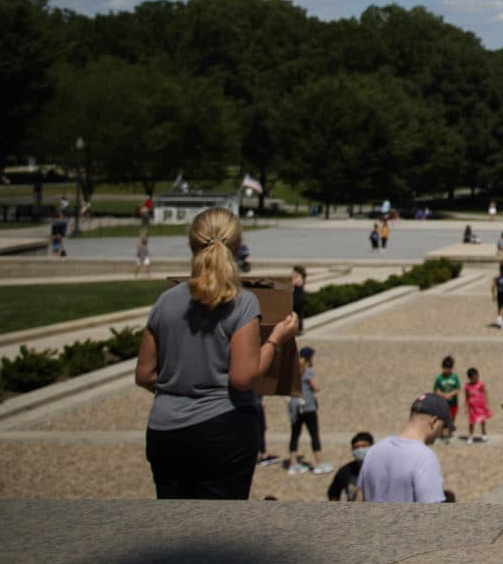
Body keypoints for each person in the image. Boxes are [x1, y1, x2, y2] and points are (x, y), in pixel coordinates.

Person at [134, 207, 298, 499]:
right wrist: (275, 340)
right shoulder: (242, 303)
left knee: (172, 529)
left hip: (164, 430)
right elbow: (242, 377)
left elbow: (145, 374)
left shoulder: (165, 301)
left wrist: (180, 389)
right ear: (237, 247)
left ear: (191, 245)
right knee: (221, 530)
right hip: (223, 429)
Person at [356, 394, 450, 502]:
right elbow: (431, 512)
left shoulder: (374, 450)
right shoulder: (425, 457)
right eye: (444, 426)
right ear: (434, 421)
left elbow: (358, 501)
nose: (443, 432)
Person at [284, 345, 329, 474]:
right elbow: (315, 387)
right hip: (308, 407)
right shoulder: (307, 371)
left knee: (295, 434)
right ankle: (319, 463)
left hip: (295, 407)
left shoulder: (292, 371)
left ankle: (293, 463)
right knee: (314, 434)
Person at [326, 431, 373, 501]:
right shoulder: (345, 470)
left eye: (364, 446)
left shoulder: (381, 469)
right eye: (356, 447)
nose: (360, 450)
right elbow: (333, 493)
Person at [434, 356, 461, 440]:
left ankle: (449, 430)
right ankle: (445, 434)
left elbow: (458, 389)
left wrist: (450, 394)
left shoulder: (454, 377)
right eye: (444, 368)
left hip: (453, 403)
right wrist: (443, 395)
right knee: (445, 417)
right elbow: (436, 390)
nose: (446, 370)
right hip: (443, 403)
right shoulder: (439, 378)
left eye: (448, 368)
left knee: (452, 417)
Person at [464, 367, 492, 443]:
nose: (476, 378)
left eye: (477, 376)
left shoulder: (480, 384)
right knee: (471, 422)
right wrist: (466, 406)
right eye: (474, 377)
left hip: (480, 406)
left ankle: (484, 433)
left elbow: (485, 393)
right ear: (470, 378)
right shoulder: (467, 386)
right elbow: (466, 397)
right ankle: (470, 436)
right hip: (472, 407)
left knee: (482, 421)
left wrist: (487, 404)